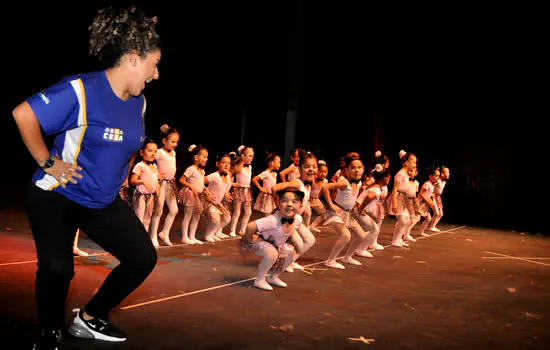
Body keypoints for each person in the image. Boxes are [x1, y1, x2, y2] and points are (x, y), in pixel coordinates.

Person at [12, 5, 161, 348]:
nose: (155, 75)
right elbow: (23, 114)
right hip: (59, 195)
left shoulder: (139, 103)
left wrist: (119, 177)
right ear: (134, 59)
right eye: (154, 65)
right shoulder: (81, 90)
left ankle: (91, 316)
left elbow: (128, 146)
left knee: (142, 258)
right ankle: (50, 332)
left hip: (100, 201)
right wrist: (48, 162)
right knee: (58, 269)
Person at [240, 188, 305, 291]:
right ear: (278, 204)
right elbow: (250, 227)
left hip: (275, 244)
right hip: (259, 240)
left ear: (301, 205)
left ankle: (273, 277)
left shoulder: (298, 220)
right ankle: (260, 280)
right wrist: (250, 240)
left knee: (291, 253)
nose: (289, 204)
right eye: (284, 201)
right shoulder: (273, 220)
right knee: (272, 254)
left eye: (294, 202)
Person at [149, 124, 180, 247]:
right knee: (158, 210)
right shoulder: (160, 152)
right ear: (164, 140)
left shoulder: (174, 153)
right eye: (172, 141)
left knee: (174, 210)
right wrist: (156, 174)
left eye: (176, 142)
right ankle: (153, 236)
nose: (174, 144)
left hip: (170, 184)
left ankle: (164, 233)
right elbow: (150, 160)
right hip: (160, 184)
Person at [178, 144, 214, 244]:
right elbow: (181, 180)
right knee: (188, 215)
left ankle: (192, 236)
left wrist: (207, 192)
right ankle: (184, 237)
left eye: (207, 157)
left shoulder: (202, 171)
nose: (206, 159)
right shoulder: (191, 169)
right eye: (204, 156)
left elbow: (201, 184)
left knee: (197, 216)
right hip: (190, 194)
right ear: (196, 157)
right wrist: (191, 186)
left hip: (198, 195)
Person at [130, 138, 160, 234]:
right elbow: (132, 180)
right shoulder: (140, 165)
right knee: (140, 218)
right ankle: (136, 239)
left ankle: (144, 239)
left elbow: (155, 179)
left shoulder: (154, 166)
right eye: (150, 151)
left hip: (151, 196)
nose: (153, 153)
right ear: (142, 152)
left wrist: (158, 185)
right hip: (141, 196)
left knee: (147, 219)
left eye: (155, 151)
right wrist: (142, 182)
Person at [252, 152, 281, 216]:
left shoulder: (274, 174)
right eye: (278, 162)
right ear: (272, 163)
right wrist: (261, 188)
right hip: (267, 197)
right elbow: (254, 179)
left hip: (273, 197)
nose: (280, 164)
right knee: (268, 215)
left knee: (273, 215)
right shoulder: (266, 173)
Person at [427, 166, 451, 232]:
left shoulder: (444, 182)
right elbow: (431, 184)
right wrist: (431, 194)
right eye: (447, 172)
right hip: (433, 196)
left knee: (440, 214)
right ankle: (431, 227)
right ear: (442, 174)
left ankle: (432, 226)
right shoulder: (438, 181)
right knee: (437, 213)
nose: (449, 174)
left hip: (438, 197)